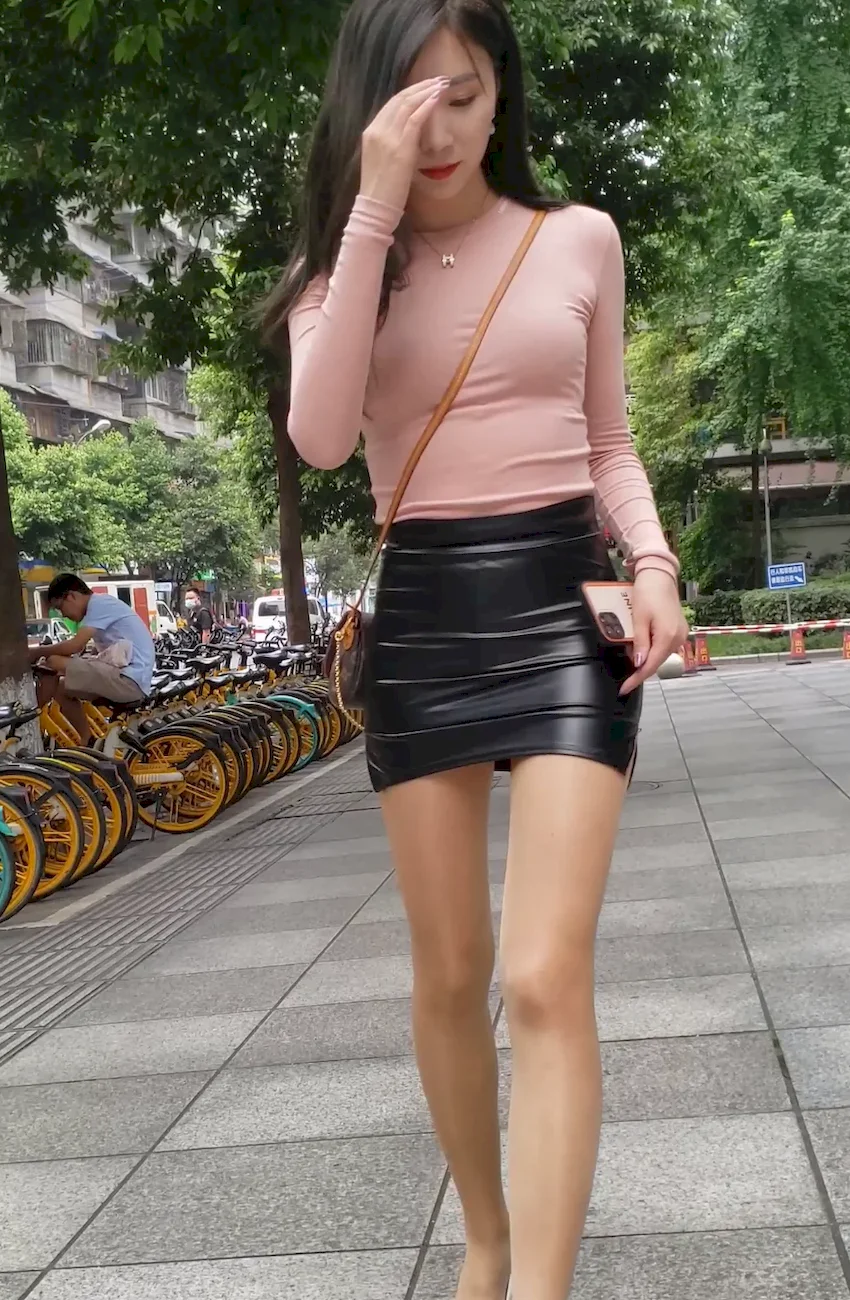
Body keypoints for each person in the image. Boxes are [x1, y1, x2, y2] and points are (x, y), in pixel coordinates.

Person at [263, 3, 687, 1297]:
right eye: (410, 102)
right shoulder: (339, 274)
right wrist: (371, 213)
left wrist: (653, 563)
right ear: (365, 111)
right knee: (449, 972)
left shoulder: (578, 239)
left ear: (500, 91)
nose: (440, 126)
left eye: (462, 91)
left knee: (542, 972)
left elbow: (607, 441)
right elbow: (320, 438)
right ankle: (485, 1240)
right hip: (425, 615)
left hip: (562, 603)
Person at [30, 574, 154, 746]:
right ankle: (87, 740)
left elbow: (75, 645)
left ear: (71, 596)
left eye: (60, 608)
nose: (63, 614)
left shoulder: (99, 605)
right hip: (131, 679)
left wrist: (35, 653)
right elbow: (82, 649)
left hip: (129, 680)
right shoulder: (101, 605)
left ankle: (30, 719)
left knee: (52, 663)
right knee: (62, 688)